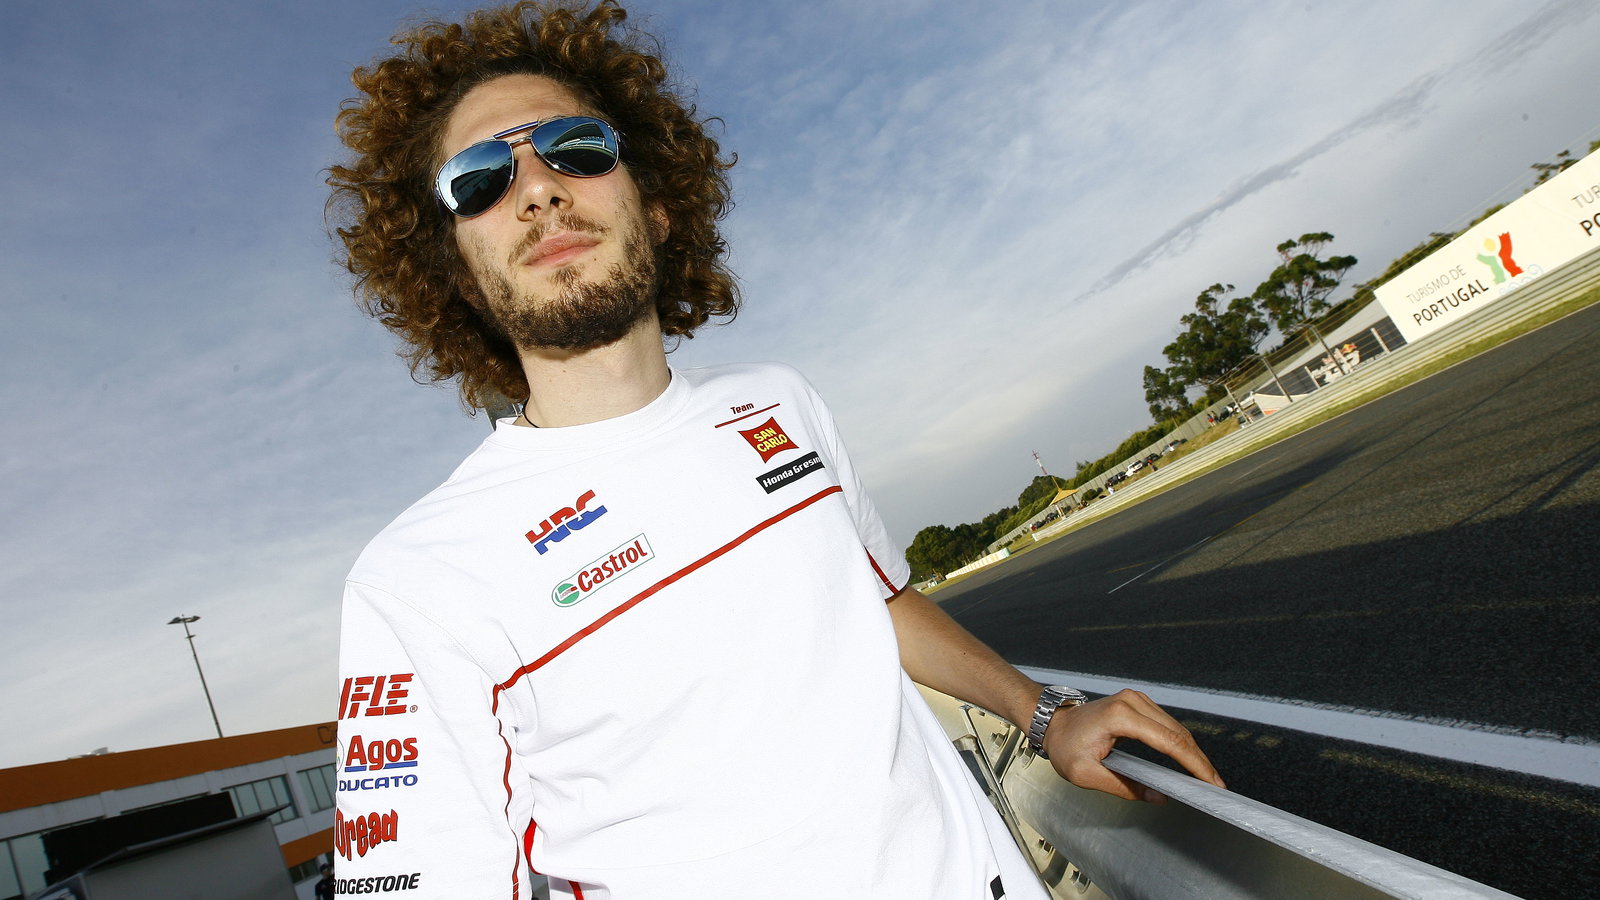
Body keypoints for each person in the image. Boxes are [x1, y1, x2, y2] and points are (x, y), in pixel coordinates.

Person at [326, 3, 1223, 898]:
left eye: (576, 146)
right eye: (480, 178)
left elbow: (879, 600)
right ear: (456, 272)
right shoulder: (415, 580)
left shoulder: (779, 402)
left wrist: (1043, 712)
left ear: (658, 207)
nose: (538, 188)